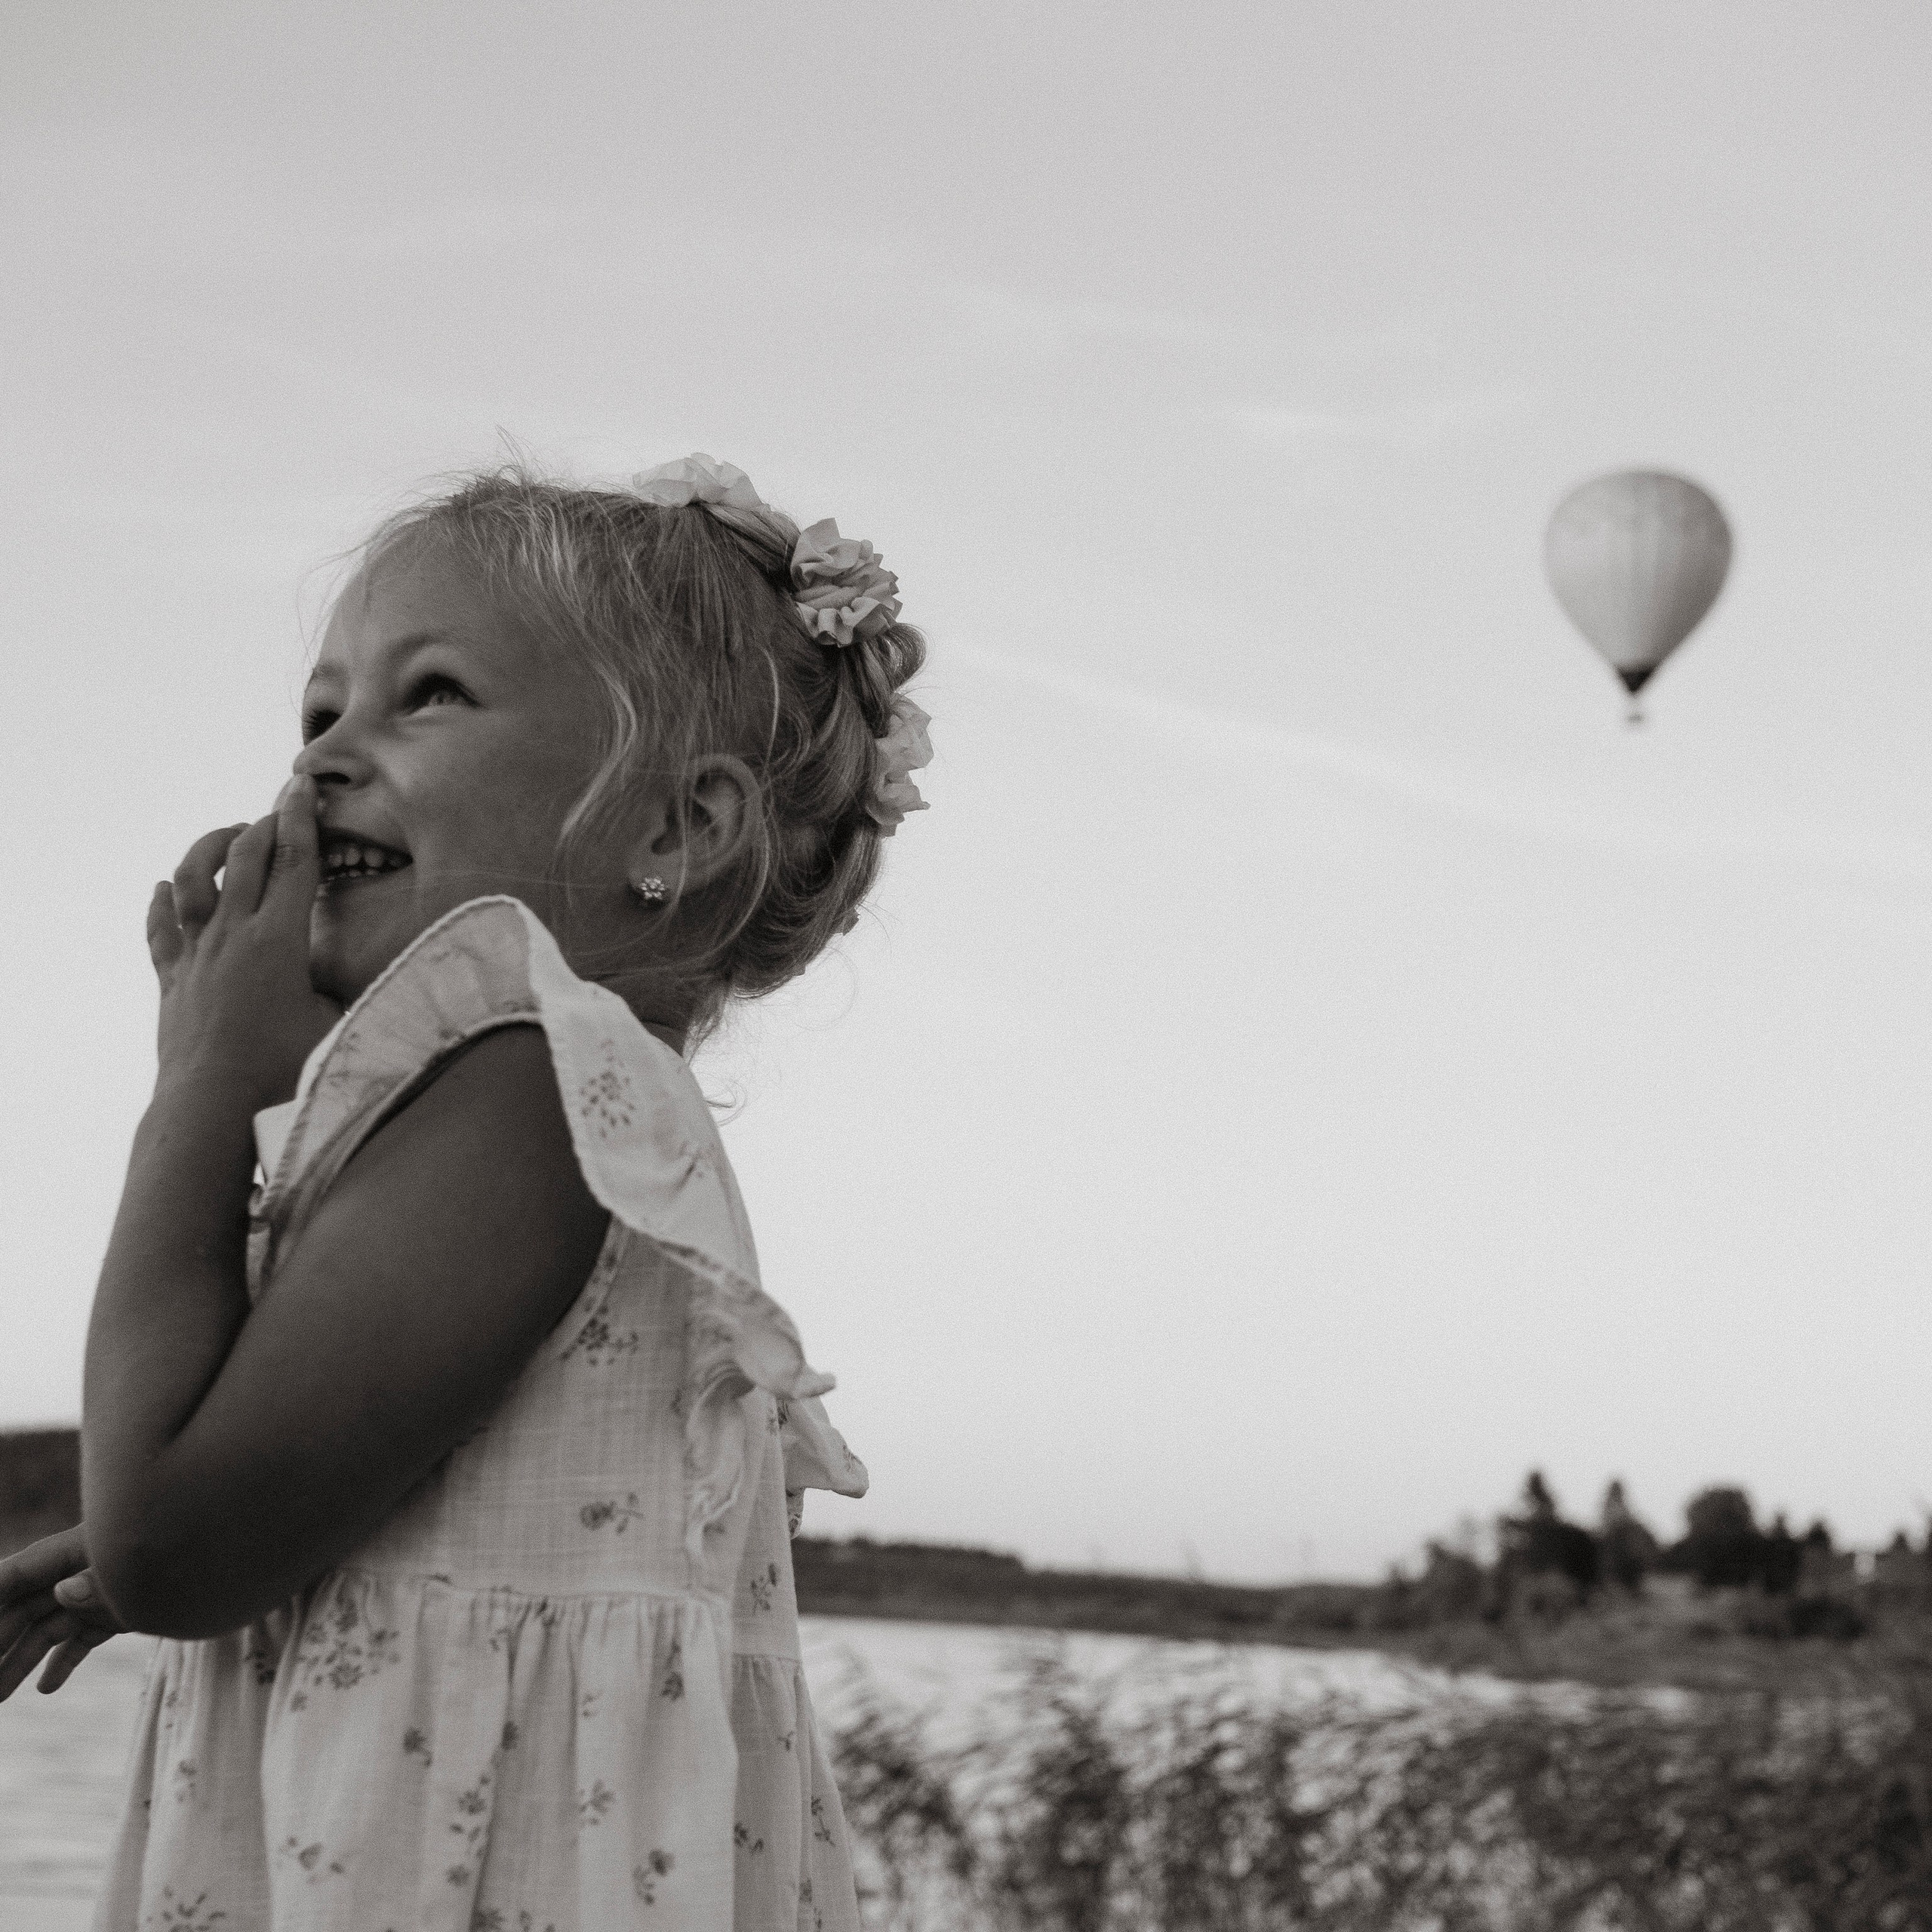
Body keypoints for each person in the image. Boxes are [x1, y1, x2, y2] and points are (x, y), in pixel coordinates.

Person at [0, 452, 932, 1930]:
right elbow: (490, 1515)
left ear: (669, 829)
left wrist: (197, 1083)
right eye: (319, 709)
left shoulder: (534, 1090)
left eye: (426, 694)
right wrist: (274, 1532)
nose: (322, 756)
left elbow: (170, 1532)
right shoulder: (554, 1109)